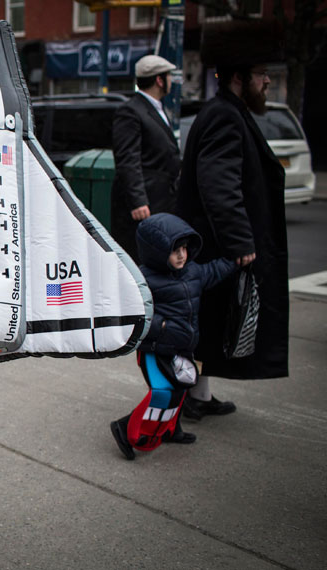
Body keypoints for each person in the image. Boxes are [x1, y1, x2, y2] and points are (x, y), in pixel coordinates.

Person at [176, 22, 289, 420]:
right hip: (219, 246)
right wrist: (241, 243)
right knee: (206, 324)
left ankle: (199, 396)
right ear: (240, 78)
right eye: (261, 75)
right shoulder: (224, 115)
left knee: (211, 324)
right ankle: (185, 399)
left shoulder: (228, 111)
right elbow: (219, 186)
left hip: (214, 244)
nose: (267, 82)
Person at [110, 213, 235, 460]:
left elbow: (215, 270)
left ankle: (170, 430)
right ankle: (125, 428)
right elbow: (130, 309)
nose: (181, 255)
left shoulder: (193, 272)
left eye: (184, 248)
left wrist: (237, 259)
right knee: (163, 392)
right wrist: (161, 326)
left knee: (179, 391)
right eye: (174, 250)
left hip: (181, 347)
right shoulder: (145, 278)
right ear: (156, 251)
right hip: (155, 349)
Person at [110, 54, 181, 261]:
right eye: (168, 76)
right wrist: (138, 201)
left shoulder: (157, 109)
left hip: (161, 199)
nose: (171, 81)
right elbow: (127, 159)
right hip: (145, 205)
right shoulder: (131, 111)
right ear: (159, 80)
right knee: (141, 257)